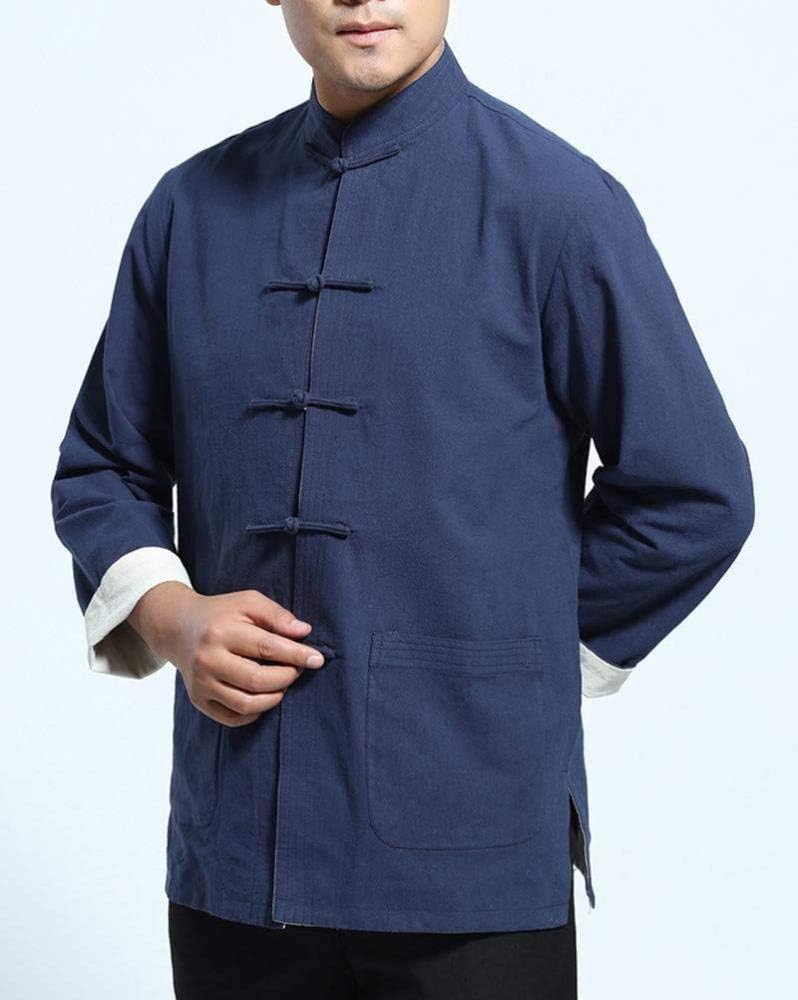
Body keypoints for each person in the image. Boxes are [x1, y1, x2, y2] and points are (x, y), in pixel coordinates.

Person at [49, 1, 755, 997]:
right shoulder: (190, 210)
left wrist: (508, 655)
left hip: (473, 854)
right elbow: (103, 467)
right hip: (237, 847)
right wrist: (173, 617)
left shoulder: (559, 204)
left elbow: (695, 491)